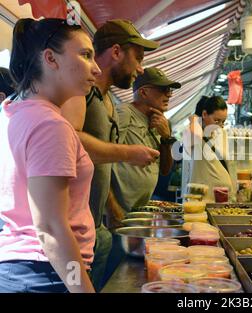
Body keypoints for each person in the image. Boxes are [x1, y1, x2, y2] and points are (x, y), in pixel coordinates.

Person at [0, 18, 101, 293]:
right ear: (50, 59)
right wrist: (81, 288)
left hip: (23, 270)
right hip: (46, 274)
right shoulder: (49, 125)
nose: (97, 68)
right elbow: (50, 229)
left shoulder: (11, 112)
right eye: (85, 55)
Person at [61, 19, 160, 291]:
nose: (140, 69)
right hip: (71, 234)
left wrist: (110, 207)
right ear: (116, 52)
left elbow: (99, 167)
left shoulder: (107, 100)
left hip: (95, 227)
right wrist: (128, 153)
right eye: (138, 58)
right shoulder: (82, 93)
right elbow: (68, 138)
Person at [110, 67, 180, 216]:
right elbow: (103, 161)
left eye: (170, 90)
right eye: (163, 89)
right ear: (143, 92)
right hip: (119, 210)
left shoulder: (161, 121)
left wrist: (166, 138)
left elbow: (165, 170)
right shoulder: (124, 112)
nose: (168, 94)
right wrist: (112, 208)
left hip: (139, 209)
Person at [184, 96, 235, 202]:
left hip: (222, 197)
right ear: (204, 114)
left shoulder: (221, 134)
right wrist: (194, 118)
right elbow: (196, 134)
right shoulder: (193, 133)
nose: (220, 126)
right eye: (216, 121)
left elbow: (228, 164)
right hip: (200, 199)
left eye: (223, 121)